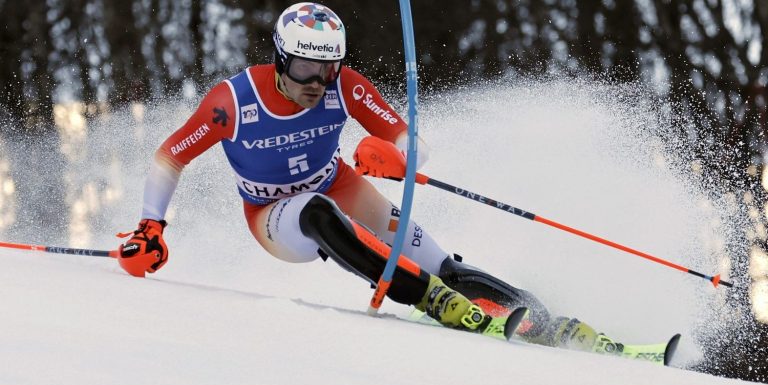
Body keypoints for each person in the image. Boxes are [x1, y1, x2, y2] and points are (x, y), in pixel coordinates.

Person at [117, 2, 618, 353]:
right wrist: (151, 226)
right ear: (281, 58)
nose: (318, 82)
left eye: (328, 68)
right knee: (318, 212)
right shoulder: (233, 103)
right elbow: (169, 157)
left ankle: (545, 319)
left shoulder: (344, 87)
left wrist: (394, 158)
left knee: (441, 261)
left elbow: (411, 142)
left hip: (338, 182)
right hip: (273, 214)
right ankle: (428, 300)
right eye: (306, 67)